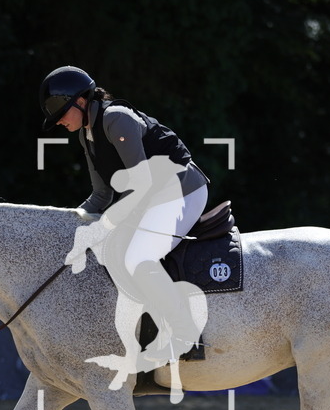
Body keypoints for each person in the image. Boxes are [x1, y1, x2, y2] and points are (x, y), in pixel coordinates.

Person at [39, 66, 210, 366]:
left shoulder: (116, 119)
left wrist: (107, 224)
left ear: (81, 101)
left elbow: (141, 184)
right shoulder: (87, 135)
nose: (61, 122)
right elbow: (101, 197)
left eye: (63, 113)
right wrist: (68, 226)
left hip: (182, 190)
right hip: (156, 197)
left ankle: (186, 334)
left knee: (137, 255)